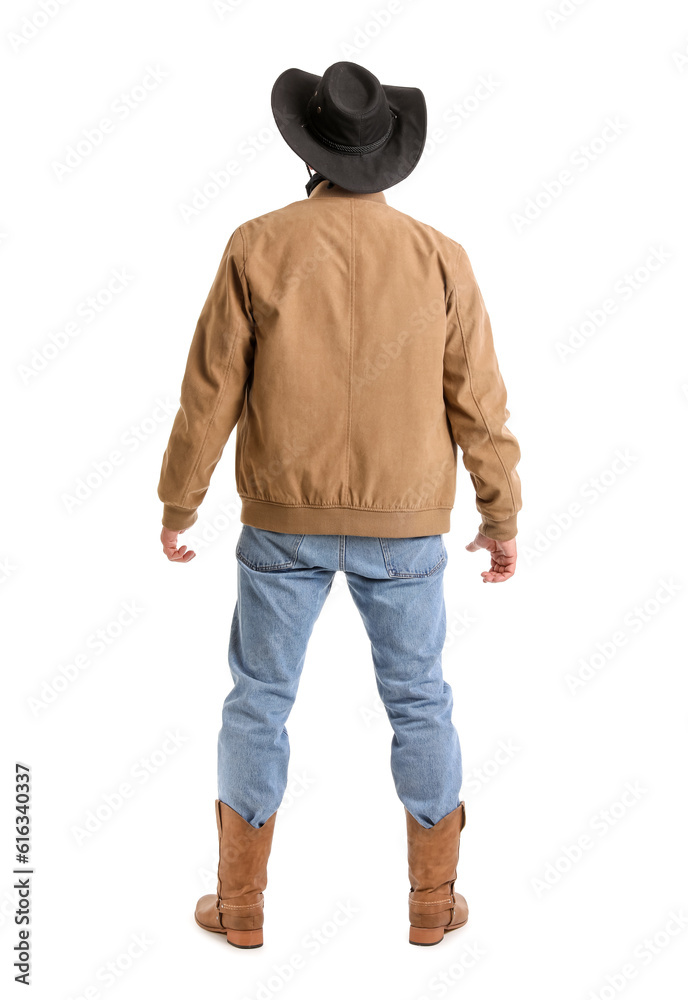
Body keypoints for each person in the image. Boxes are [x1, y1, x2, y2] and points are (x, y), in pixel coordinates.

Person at [157, 60, 522, 949]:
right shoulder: (441, 255)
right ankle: (433, 906)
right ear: (384, 159)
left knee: (258, 700)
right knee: (420, 703)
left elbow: (211, 390)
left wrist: (179, 501)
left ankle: (239, 907)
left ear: (309, 152)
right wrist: (499, 514)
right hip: (406, 529)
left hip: (281, 521)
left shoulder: (256, 243)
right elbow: (479, 399)